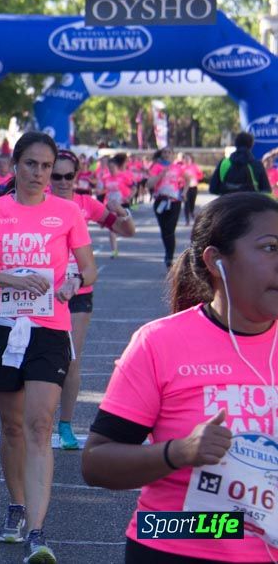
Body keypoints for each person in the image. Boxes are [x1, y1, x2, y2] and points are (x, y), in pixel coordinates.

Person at [83, 192, 278, 564]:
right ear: (217, 261)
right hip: (173, 546)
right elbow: (96, 464)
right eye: (270, 248)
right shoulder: (161, 342)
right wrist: (179, 453)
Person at [0, 131, 97, 563]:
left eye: (46, 167)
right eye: (32, 164)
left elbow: (89, 270)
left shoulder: (68, 211)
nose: (40, 174)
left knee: (40, 425)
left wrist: (74, 280)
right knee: (13, 426)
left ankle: (37, 530)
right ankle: (16, 506)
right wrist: (14, 280)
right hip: (3, 326)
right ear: (15, 165)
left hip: (50, 328)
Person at [48, 150, 135, 450]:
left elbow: (126, 230)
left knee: (70, 357)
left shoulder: (86, 203)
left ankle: (66, 425)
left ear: (77, 175)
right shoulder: (37, 203)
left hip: (78, 291)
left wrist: (122, 211)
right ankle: (35, 420)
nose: (60, 182)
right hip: (40, 291)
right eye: (54, 175)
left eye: (66, 176)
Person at [148, 147, 187, 268]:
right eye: (164, 152)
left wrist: (184, 192)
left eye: (169, 152)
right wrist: (161, 174)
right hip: (160, 201)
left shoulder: (177, 167)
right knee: (164, 230)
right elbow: (149, 184)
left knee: (170, 229)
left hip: (174, 201)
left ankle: (169, 257)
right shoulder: (156, 167)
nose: (166, 154)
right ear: (161, 154)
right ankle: (168, 254)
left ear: (173, 155)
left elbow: (188, 179)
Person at [209, 131, 271, 196]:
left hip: (227, 204)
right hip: (251, 204)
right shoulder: (257, 165)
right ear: (251, 145)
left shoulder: (224, 163)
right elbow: (266, 191)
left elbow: (213, 189)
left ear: (235, 144)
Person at [98, 153, 135, 258]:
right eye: (109, 168)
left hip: (123, 205)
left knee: (125, 227)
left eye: (113, 167)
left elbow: (134, 188)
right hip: (111, 206)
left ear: (117, 167)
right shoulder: (106, 178)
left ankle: (126, 234)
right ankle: (114, 251)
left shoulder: (124, 176)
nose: (111, 170)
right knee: (112, 229)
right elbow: (102, 190)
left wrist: (129, 197)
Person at [179, 153, 203, 225]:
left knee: (192, 203)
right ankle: (187, 220)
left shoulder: (195, 167)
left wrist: (195, 177)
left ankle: (192, 213)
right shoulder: (181, 168)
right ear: (183, 160)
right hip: (185, 188)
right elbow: (178, 178)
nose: (187, 160)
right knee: (186, 204)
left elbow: (200, 176)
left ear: (191, 159)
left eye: (188, 159)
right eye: (185, 159)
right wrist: (182, 179)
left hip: (193, 187)